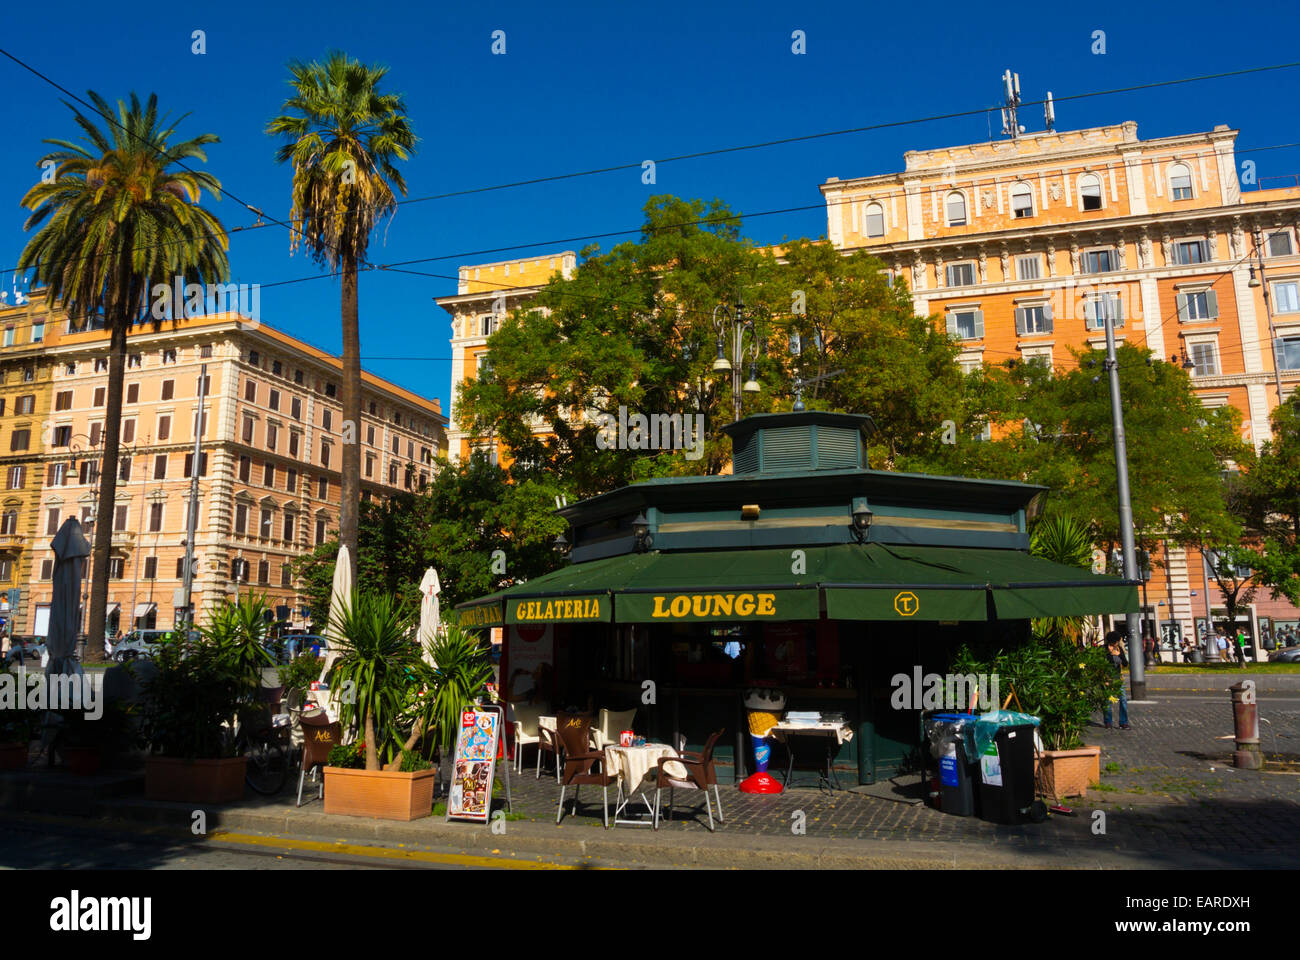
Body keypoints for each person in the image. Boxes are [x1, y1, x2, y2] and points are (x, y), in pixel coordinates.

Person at [1102, 631, 1130, 730]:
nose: (1118, 643)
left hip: (1118, 678)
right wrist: (1110, 654)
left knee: (1123, 699)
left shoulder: (1119, 649)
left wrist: (1119, 655)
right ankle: (1108, 722)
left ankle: (1123, 722)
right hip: (1106, 678)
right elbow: (1101, 663)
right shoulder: (1103, 649)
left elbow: (1125, 663)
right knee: (1107, 700)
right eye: (1117, 641)